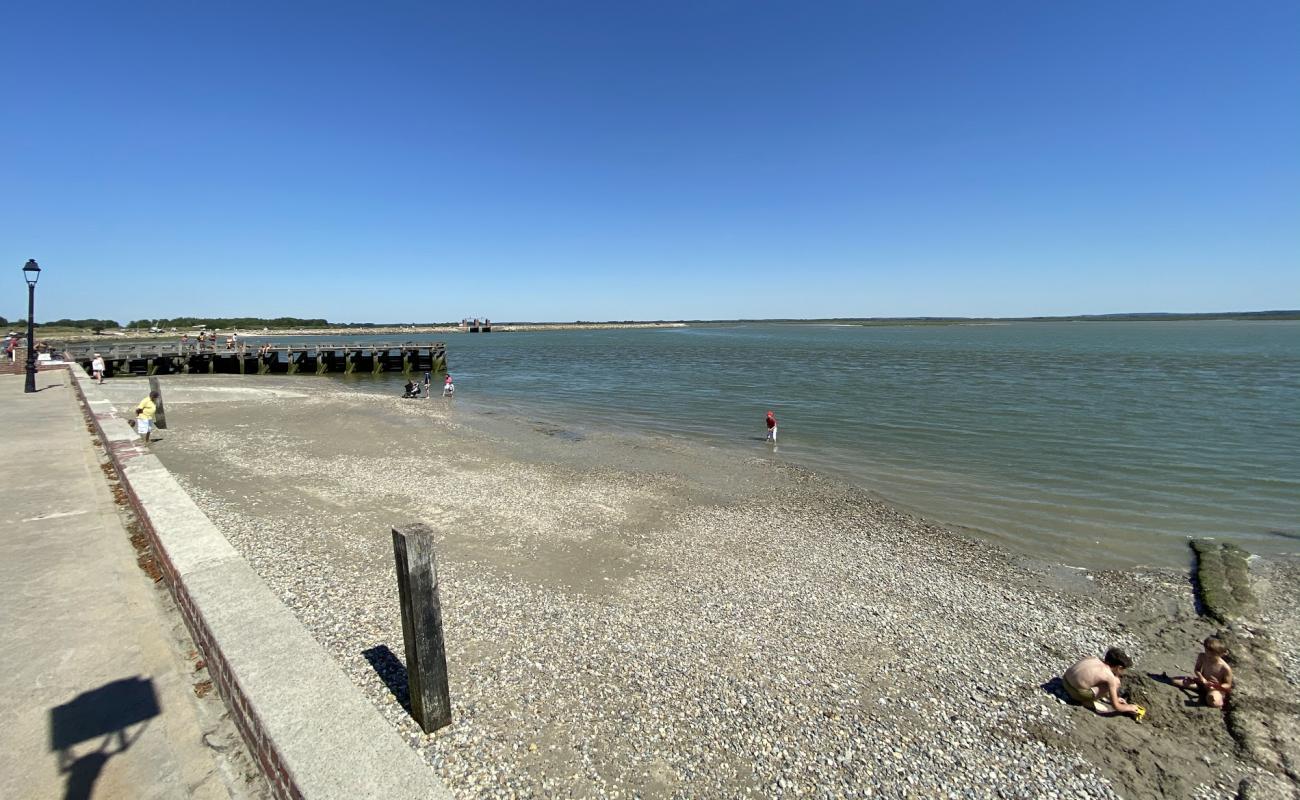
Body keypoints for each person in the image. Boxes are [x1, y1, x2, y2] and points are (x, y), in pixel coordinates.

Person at [1062, 648, 1140, 716]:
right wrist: (1129, 707)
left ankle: (1110, 697)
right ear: (1119, 668)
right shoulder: (1109, 676)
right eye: (1123, 669)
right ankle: (1086, 702)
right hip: (1075, 692)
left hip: (1065, 680)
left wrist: (1115, 698)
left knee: (1093, 680)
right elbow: (1116, 706)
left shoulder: (1093, 659)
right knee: (1116, 682)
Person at [1171, 637, 1233, 707]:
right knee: (1174, 681)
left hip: (1213, 687)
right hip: (1201, 682)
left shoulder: (1225, 668)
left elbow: (1228, 685)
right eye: (1207, 652)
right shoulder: (1202, 656)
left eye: (1212, 654)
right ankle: (1202, 692)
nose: (1209, 655)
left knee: (1214, 702)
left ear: (1221, 654)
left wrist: (1214, 686)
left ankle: (1214, 696)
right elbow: (1197, 669)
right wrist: (1202, 679)